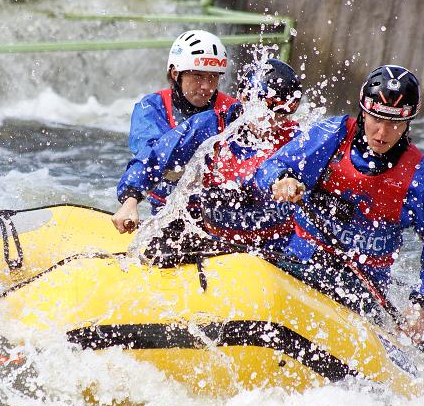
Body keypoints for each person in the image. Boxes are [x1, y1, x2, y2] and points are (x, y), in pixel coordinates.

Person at [254, 64, 424, 341]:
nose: (382, 132)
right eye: (376, 119)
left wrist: (422, 304)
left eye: (394, 123)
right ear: (363, 111)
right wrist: (281, 178)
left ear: (407, 123)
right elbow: (271, 166)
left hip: (361, 290)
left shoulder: (422, 177)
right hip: (299, 263)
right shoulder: (331, 136)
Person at [116, 58, 304, 266]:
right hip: (210, 237)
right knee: (161, 253)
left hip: (272, 246)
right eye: (267, 110)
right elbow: (154, 159)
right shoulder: (208, 126)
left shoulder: (299, 140)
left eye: (283, 113)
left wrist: (291, 182)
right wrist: (130, 201)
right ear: (244, 98)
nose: (273, 122)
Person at [111, 29, 238, 233]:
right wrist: (130, 200)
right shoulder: (151, 108)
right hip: (167, 212)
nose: (207, 86)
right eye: (197, 76)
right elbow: (149, 155)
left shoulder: (233, 111)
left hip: (221, 216)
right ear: (175, 73)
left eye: (213, 77)